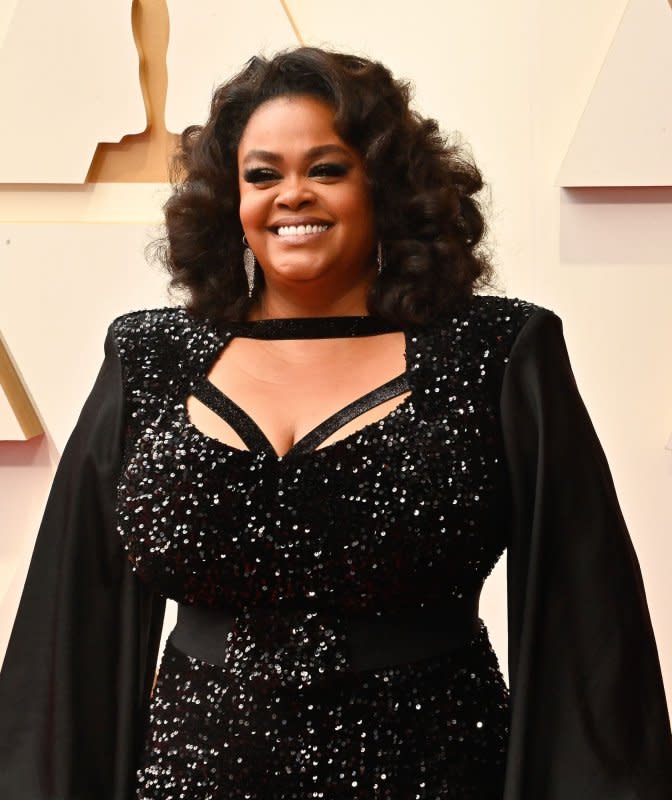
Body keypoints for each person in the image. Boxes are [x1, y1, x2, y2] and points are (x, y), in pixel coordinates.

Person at [0, 46, 670, 800]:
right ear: (230, 200)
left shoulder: (499, 352)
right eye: (262, 175)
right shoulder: (149, 356)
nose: (292, 195)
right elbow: (69, 633)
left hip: (433, 778)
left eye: (326, 168)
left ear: (385, 186)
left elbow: (588, 630)